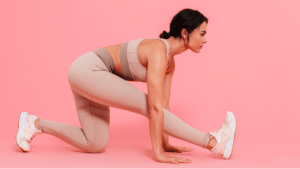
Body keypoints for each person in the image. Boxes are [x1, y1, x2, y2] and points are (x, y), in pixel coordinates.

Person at [16, 8, 237, 164]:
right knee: (147, 103)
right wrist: (158, 153)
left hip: (96, 78)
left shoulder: (170, 62)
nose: (205, 40)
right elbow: (154, 108)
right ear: (185, 33)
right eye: (202, 33)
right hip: (87, 70)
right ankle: (214, 141)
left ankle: (34, 123)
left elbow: (164, 107)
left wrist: (166, 143)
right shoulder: (158, 52)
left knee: (94, 143)